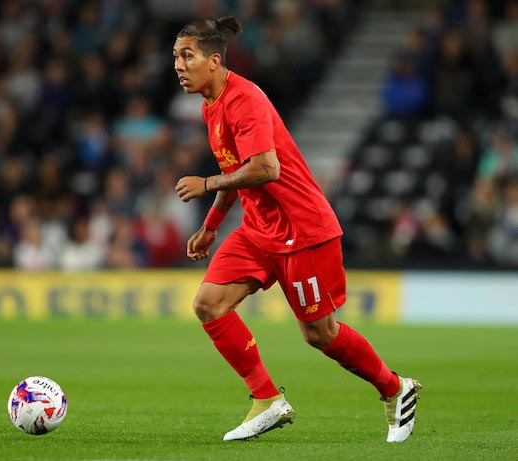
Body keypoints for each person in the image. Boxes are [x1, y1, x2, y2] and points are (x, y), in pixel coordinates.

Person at [173, 16, 422, 443]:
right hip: (258, 227)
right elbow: (237, 169)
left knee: (319, 334)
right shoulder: (209, 104)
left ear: (214, 61)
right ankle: (267, 399)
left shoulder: (244, 100)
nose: (178, 65)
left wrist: (207, 183)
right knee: (209, 304)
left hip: (299, 229)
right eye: (176, 56)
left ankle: (396, 388)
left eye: (187, 56)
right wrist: (212, 225)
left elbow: (265, 168)